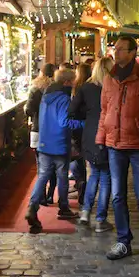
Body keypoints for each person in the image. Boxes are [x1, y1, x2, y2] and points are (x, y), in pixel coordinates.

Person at [97, 35, 139, 260]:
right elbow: (104, 111)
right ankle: (123, 240)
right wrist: (100, 139)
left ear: (132, 52)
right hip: (114, 144)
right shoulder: (110, 78)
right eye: (114, 49)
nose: (115, 52)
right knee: (117, 195)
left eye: (120, 49)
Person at [25, 69, 84, 231]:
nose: (73, 84)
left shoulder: (46, 95)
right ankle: (64, 207)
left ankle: (32, 207)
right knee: (62, 176)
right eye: (72, 81)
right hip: (59, 143)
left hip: (44, 143)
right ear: (66, 82)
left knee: (42, 176)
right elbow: (64, 122)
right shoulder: (64, 98)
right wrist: (83, 124)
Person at [70, 57, 114, 232]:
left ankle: (85, 212)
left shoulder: (86, 88)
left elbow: (72, 111)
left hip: (89, 135)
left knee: (94, 175)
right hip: (109, 135)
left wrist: (87, 116)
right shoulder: (113, 88)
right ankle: (101, 219)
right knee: (106, 177)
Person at [25, 63, 57, 205]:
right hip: (53, 131)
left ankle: (41, 196)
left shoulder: (35, 88)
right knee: (54, 165)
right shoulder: (57, 89)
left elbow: (29, 110)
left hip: (38, 129)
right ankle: (51, 194)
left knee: (41, 166)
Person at [69, 63, 91, 207]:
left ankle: (80, 182)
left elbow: (72, 109)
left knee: (76, 156)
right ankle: (82, 184)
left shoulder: (77, 88)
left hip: (77, 125)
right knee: (81, 155)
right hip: (87, 125)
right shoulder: (92, 87)